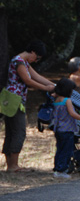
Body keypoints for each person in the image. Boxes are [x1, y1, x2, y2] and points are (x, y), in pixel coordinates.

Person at [2, 40, 55, 172]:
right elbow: (28, 80)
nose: (36, 60)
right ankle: (13, 165)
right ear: (32, 52)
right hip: (15, 100)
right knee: (19, 132)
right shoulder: (19, 62)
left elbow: (36, 76)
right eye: (37, 57)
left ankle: (11, 165)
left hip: (11, 100)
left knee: (12, 131)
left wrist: (55, 86)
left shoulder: (22, 61)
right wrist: (45, 88)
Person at [52, 78, 80, 179]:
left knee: (59, 149)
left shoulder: (56, 100)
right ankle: (62, 170)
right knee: (67, 150)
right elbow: (72, 113)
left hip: (58, 129)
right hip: (67, 129)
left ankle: (57, 168)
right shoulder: (67, 100)